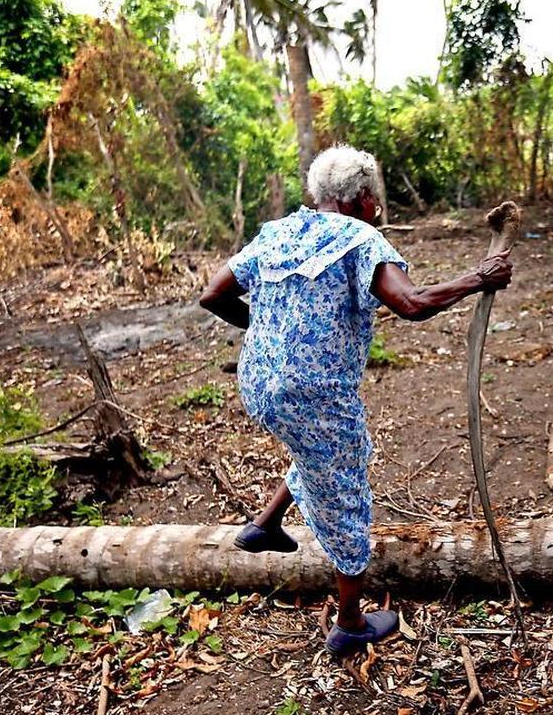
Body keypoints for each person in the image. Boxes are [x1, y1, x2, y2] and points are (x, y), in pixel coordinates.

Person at [200, 145, 513, 656]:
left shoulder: (278, 231)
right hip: (312, 392)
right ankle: (349, 622)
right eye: (376, 199)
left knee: (332, 452)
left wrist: (268, 337)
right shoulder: (360, 237)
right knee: (344, 487)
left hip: (258, 384)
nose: (378, 209)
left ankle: (264, 525)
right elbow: (410, 304)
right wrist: (479, 277)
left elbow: (213, 294)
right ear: (361, 198)